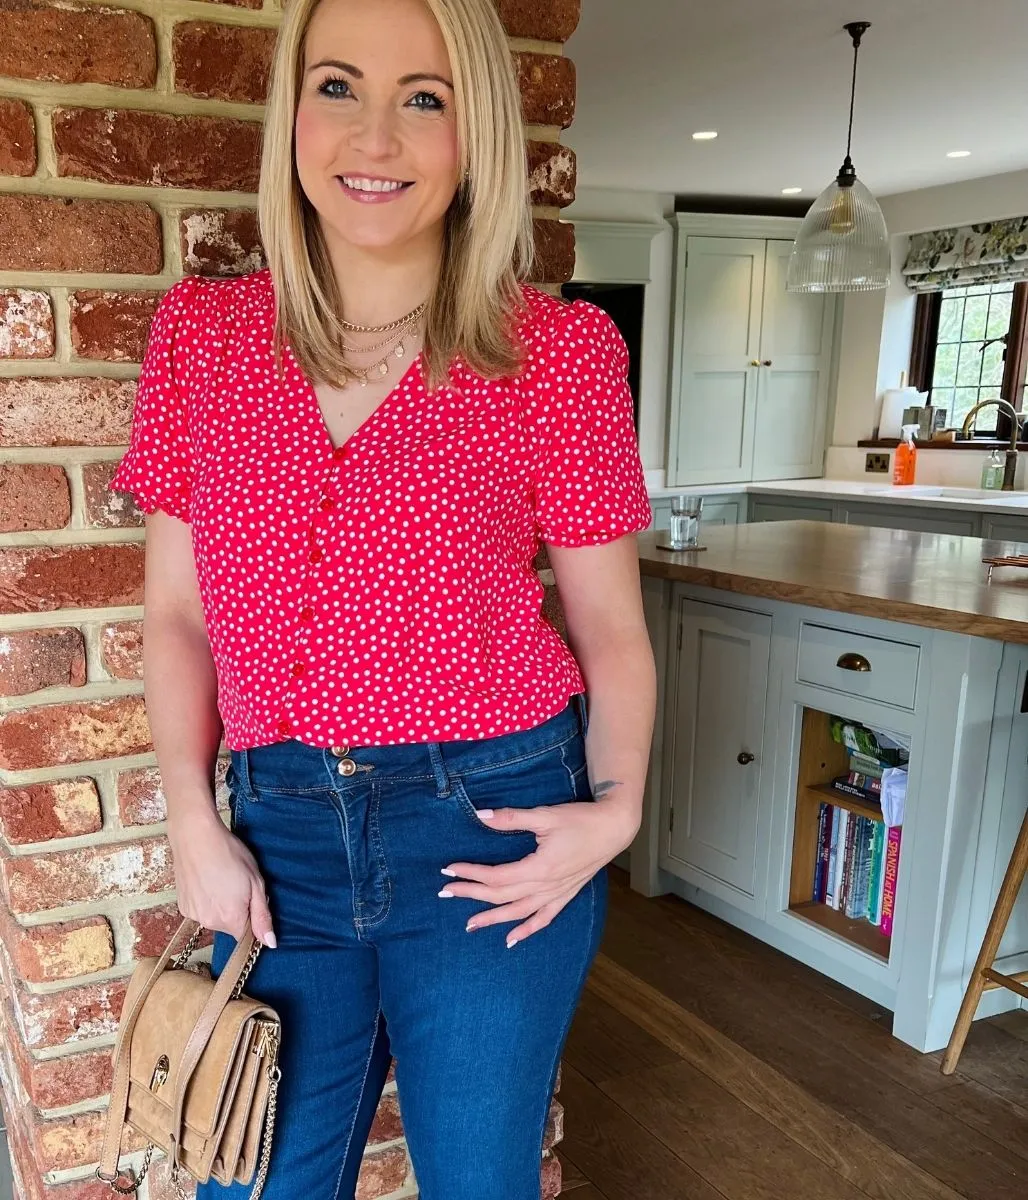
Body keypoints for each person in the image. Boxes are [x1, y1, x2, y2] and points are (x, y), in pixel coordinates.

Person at [107, 0, 656, 1195]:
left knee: (479, 1178)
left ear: (477, 137)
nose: (375, 138)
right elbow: (179, 616)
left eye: (425, 98)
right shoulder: (202, 340)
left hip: (492, 827)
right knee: (251, 1179)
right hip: (279, 834)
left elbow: (609, 631)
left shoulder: (553, 357)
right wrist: (190, 825)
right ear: (292, 111)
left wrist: (615, 816)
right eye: (338, 86)